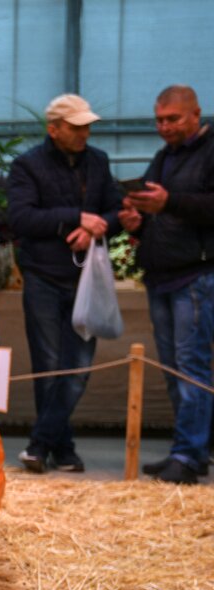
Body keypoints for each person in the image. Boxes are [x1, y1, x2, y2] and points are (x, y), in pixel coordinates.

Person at [6, 94, 123, 474]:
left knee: (79, 367)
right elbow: (21, 218)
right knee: (50, 365)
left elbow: (115, 209)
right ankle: (62, 447)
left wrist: (96, 227)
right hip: (42, 277)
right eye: (76, 127)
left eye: (87, 126)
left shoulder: (99, 162)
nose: (84, 133)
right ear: (53, 129)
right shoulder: (27, 165)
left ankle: (43, 444)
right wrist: (76, 218)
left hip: (87, 278)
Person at [119, 85, 214, 485]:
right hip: (161, 275)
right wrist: (137, 221)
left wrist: (169, 202)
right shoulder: (163, 157)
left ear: (196, 114)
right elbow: (158, 206)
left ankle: (189, 454)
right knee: (173, 367)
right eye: (159, 120)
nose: (164, 127)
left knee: (192, 366)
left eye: (172, 119)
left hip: (195, 274)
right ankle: (188, 448)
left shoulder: (209, 152)